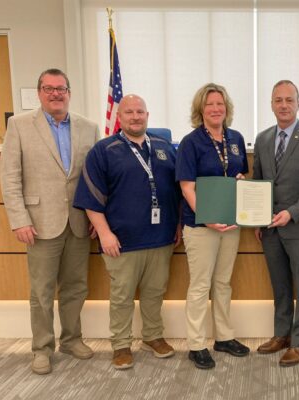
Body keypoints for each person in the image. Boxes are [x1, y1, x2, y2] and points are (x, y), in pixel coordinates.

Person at [0, 68, 98, 375]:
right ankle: (41, 348)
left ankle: (72, 339)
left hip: (79, 221)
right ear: (40, 92)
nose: (56, 93)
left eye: (61, 88)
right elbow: (10, 177)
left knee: (76, 287)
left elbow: (95, 177)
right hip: (39, 223)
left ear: (69, 92)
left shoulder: (89, 127)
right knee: (41, 291)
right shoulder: (19, 125)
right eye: (49, 88)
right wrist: (19, 219)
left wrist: (98, 215)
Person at [73, 94, 180, 370]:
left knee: (155, 291)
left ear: (148, 115)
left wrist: (177, 223)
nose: (135, 116)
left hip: (161, 237)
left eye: (140, 112)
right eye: (129, 112)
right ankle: (120, 344)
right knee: (122, 296)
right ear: (119, 117)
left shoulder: (164, 147)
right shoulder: (104, 150)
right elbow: (91, 197)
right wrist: (105, 233)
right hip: (121, 240)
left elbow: (178, 190)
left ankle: (153, 337)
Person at [253, 80, 299, 366]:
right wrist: (258, 220)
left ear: (298, 103)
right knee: (280, 285)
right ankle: (281, 335)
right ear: (271, 104)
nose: (283, 105)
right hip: (269, 228)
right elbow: (259, 182)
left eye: (289, 100)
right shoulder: (261, 139)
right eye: (278, 100)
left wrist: (292, 212)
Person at [176, 83, 250, 369]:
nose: (216, 109)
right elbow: (187, 187)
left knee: (223, 283)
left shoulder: (236, 138)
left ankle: (224, 337)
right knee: (200, 285)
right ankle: (196, 344)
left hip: (231, 224)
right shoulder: (190, 142)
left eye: (220, 104)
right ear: (200, 109)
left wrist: (242, 179)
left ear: (226, 108)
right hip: (201, 225)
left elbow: (238, 172)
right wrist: (207, 217)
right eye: (210, 104)